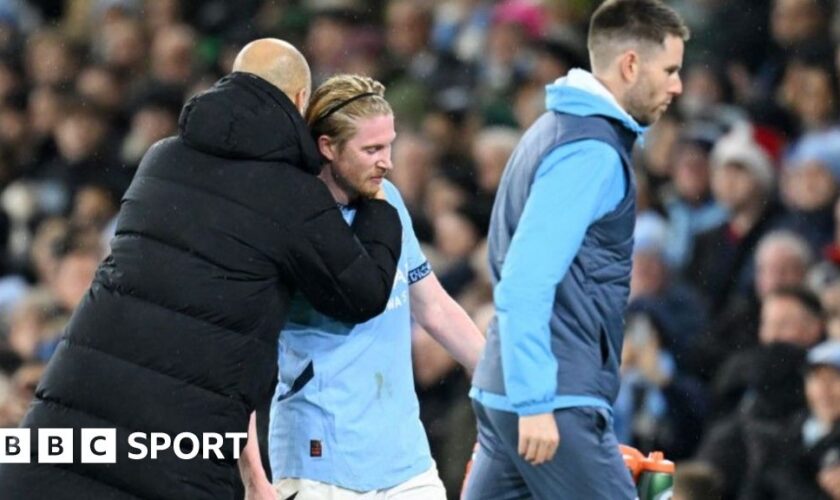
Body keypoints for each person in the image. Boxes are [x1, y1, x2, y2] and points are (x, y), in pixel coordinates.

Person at [0, 39, 404, 500]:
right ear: (298, 103)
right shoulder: (291, 194)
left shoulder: (160, 159)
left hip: (72, 413)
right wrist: (377, 208)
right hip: (180, 443)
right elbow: (362, 293)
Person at [464, 1, 688, 498]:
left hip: (507, 388)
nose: (677, 86)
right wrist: (537, 400)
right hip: (551, 396)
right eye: (670, 70)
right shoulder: (591, 152)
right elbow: (525, 278)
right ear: (631, 65)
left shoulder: (553, 129)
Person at [239, 74, 486, 500]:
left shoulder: (387, 199)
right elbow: (241, 354)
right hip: (318, 464)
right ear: (327, 147)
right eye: (372, 149)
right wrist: (254, 479)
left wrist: (503, 382)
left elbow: (434, 308)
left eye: (389, 145)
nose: (387, 160)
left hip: (406, 463)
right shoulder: (281, 224)